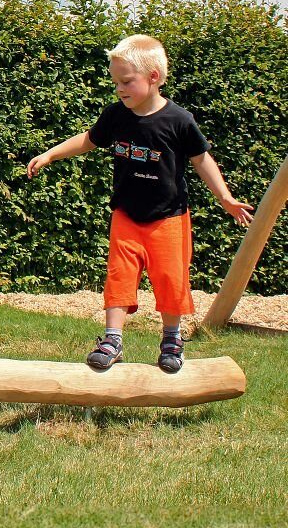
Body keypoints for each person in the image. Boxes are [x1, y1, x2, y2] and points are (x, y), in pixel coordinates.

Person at [27, 34, 253, 373]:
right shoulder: (117, 115)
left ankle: (172, 339)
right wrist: (50, 154)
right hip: (127, 215)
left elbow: (201, 160)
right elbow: (89, 140)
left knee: (170, 278)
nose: (119, 88)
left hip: (168, 218)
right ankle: (112, 338)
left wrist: (226, 198)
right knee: (119, 276)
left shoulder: (178, 120)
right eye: (116, 82)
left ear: (154, 78)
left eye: (126, 81)